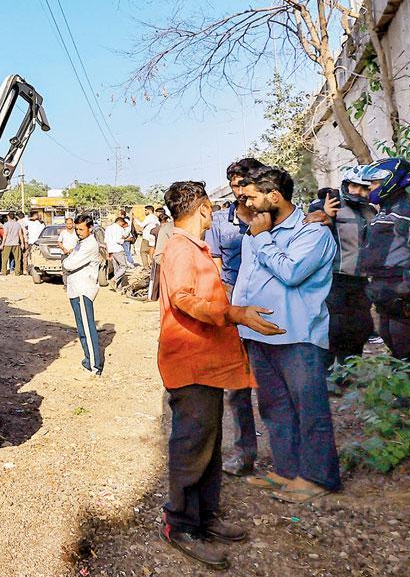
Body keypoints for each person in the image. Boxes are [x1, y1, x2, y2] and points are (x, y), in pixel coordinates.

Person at [157, 181, 284, 570]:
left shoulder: (194, 246)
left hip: (205, 361)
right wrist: (233, 312)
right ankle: (179, 525)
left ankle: (205, 517)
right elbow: (182, 298)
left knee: (208, 448)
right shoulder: (180, 247)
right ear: (205, 209)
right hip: (189, 361)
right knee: (192, 447)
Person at [233, 166, 341, 503]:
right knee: (274, 408)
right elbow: (247, 279)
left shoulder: (313, 233)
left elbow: (291, 272)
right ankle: (286, 470)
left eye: (251, 196)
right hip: (260, 335)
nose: (244, 201)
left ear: (274, 197)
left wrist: (262, 238)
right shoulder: (256, 230)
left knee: (309, 409)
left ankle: (319, 477)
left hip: (297, 336)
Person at [358, 158, 410, 404]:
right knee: (389, 336)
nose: (370, 187)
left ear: (391, 180)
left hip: (401, 288)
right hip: (384, 287)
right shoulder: (387, 209)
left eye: (375, 182)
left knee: (406, 340)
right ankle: (402, 386)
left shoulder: (409, 209)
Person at [205, 157, 265, 476]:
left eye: (242, 182)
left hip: (270, 305)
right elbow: (215, 267)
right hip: (234, 305)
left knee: (273, 383)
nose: (235, 188)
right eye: (232, 182)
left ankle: (289, 452)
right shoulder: (219, 222)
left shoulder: (274, 215)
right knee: (238, 385)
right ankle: (245, 452)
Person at [305, 168, 378, 381]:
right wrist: (325, 213)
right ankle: (326, 375)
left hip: (361, 280)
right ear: (346, 185)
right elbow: (309, 222)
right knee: (332, 327)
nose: (359, 192)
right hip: (333, 278)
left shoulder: (370, 212)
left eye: (364, 188)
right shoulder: (330, 205)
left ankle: (348, 371)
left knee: (360, 327)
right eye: (354, 186)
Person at [63, 214, 104, 376]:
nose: (78, 232)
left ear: (90, 228)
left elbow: (69, 264)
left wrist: (67, 260)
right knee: (81, 329)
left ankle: (94, 366)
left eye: (81, 229)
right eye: (76, 229)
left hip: (83, 290)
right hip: (75, 290)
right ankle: (88, 360)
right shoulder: (82, 243)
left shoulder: (89, 245)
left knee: (87, 329)